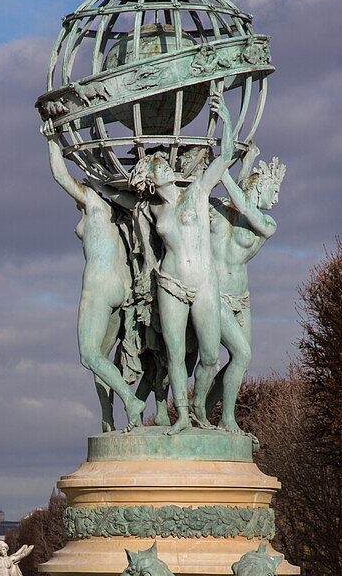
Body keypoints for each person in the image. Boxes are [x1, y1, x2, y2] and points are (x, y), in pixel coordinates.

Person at [130, 91, 233, 434]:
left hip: (203, 283)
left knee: (210, 355)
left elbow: (226, 156)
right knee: (174, 356)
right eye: (154, 165)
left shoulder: (198, 192)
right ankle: (184, 416)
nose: (161, 165)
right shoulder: (152, 209)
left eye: (163, 163)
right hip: (170, 283)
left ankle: (201, 409)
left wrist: (226, 121)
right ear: (151, 178)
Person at [42, 119, 145, 430]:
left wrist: (52, 140)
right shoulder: (119, 206)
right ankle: (107, 419)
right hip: (122, 288)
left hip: (98, 287)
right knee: (101, 359)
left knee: (89, 356)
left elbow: (60, 175)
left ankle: (130, 400)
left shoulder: (94, 202)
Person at [207, 144, 285, 431]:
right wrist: (241, 162)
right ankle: (227, 419)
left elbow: (242, 204)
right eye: (273, 191)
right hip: (215, 296)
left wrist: (222, 170)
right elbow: (238, 198)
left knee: (241, 361)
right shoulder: (219, 211)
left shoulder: (267, 222)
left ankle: (201, 410)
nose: (276, 199)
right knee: (241, 355)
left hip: (243, 298)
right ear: (259, 185)